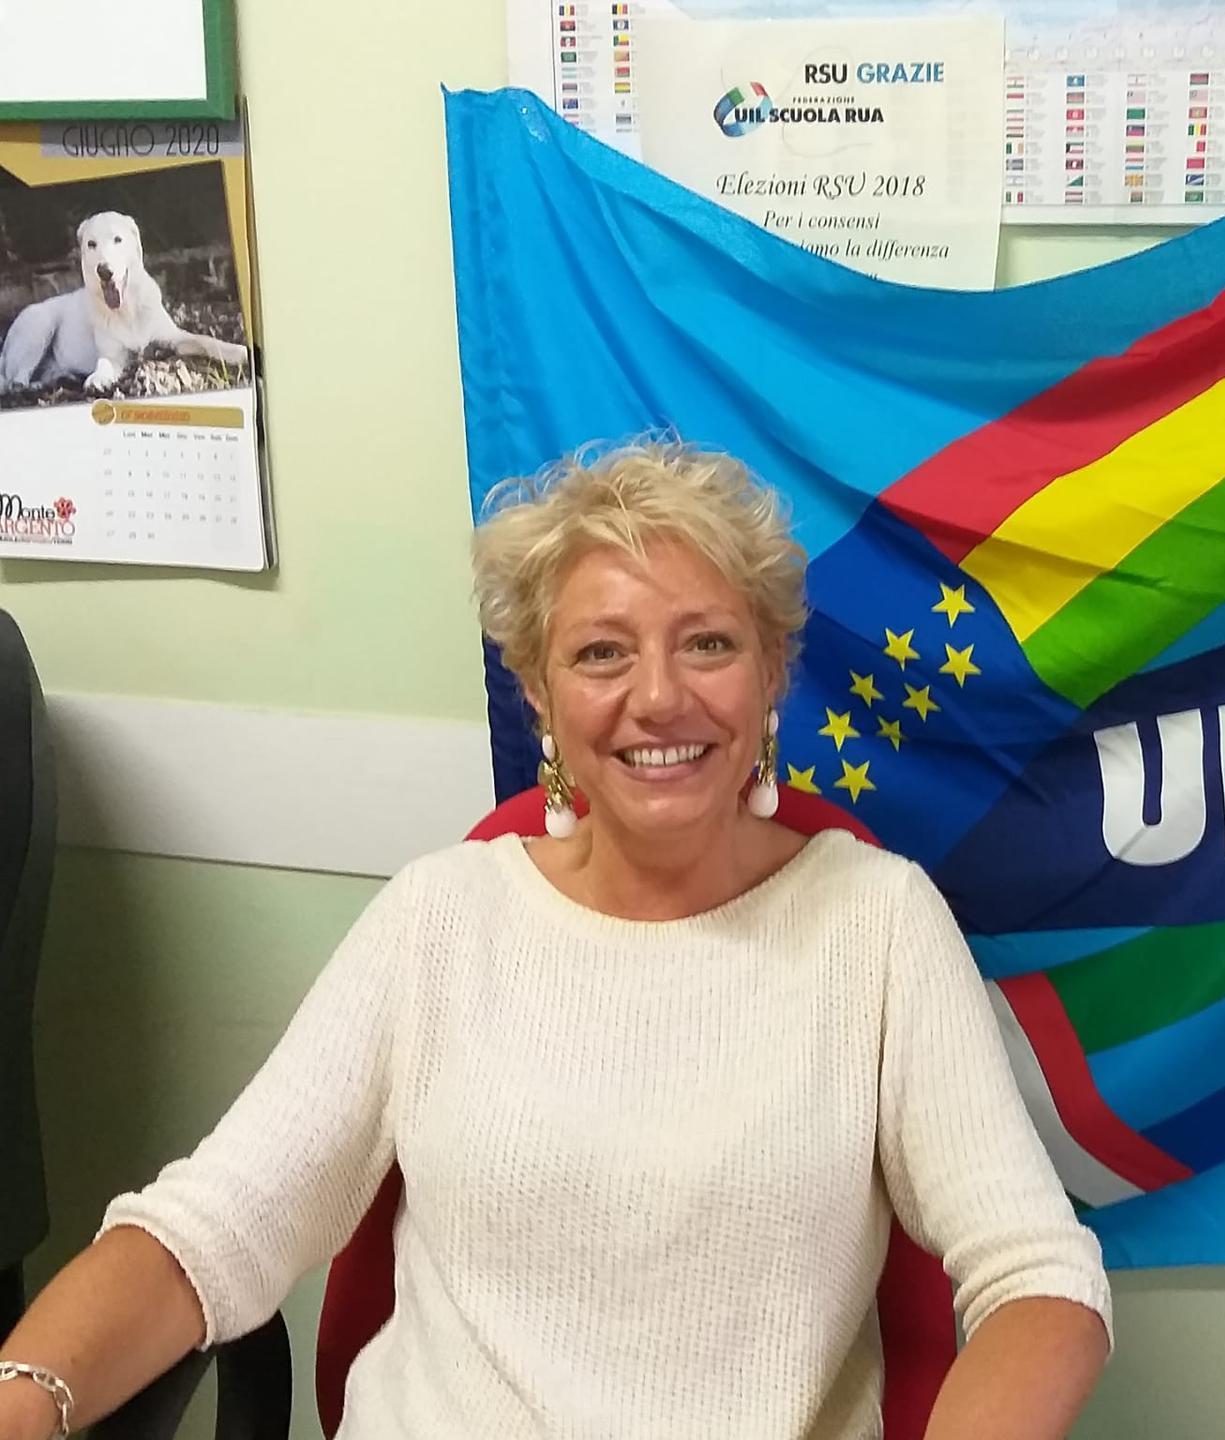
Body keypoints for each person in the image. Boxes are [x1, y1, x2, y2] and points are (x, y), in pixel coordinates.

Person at [0, 440, 1111, 1440]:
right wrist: (26, 1397)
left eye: (709, 643)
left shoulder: (878, 923)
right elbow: (210, 1229)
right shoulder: (440, 917)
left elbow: (1038, 1275)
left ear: (775, 669)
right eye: (601, 654)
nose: (659, 698)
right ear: (537, 691)